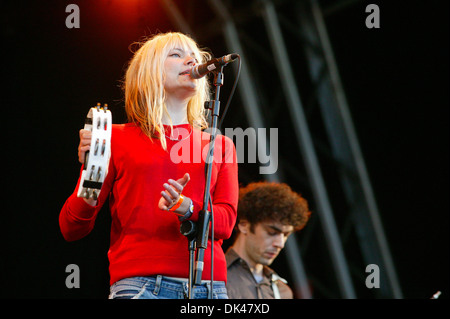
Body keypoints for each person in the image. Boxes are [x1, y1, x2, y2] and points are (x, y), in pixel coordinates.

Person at [59, 32, 239, 299]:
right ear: (149, 73)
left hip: (209, 287)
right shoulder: (115, 138)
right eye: (176, 54)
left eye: (194, 56)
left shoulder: (220, 145)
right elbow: (72, 229)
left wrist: (185, 206)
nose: (191, 61)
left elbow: (225, 224)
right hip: (140, 286)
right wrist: (91, 174)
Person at [225, 181, 311, 299]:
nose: (280, 244)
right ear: (244, 225)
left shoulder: (282, 291)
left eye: (286, 235)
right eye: (272, 233)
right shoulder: (213, 276)